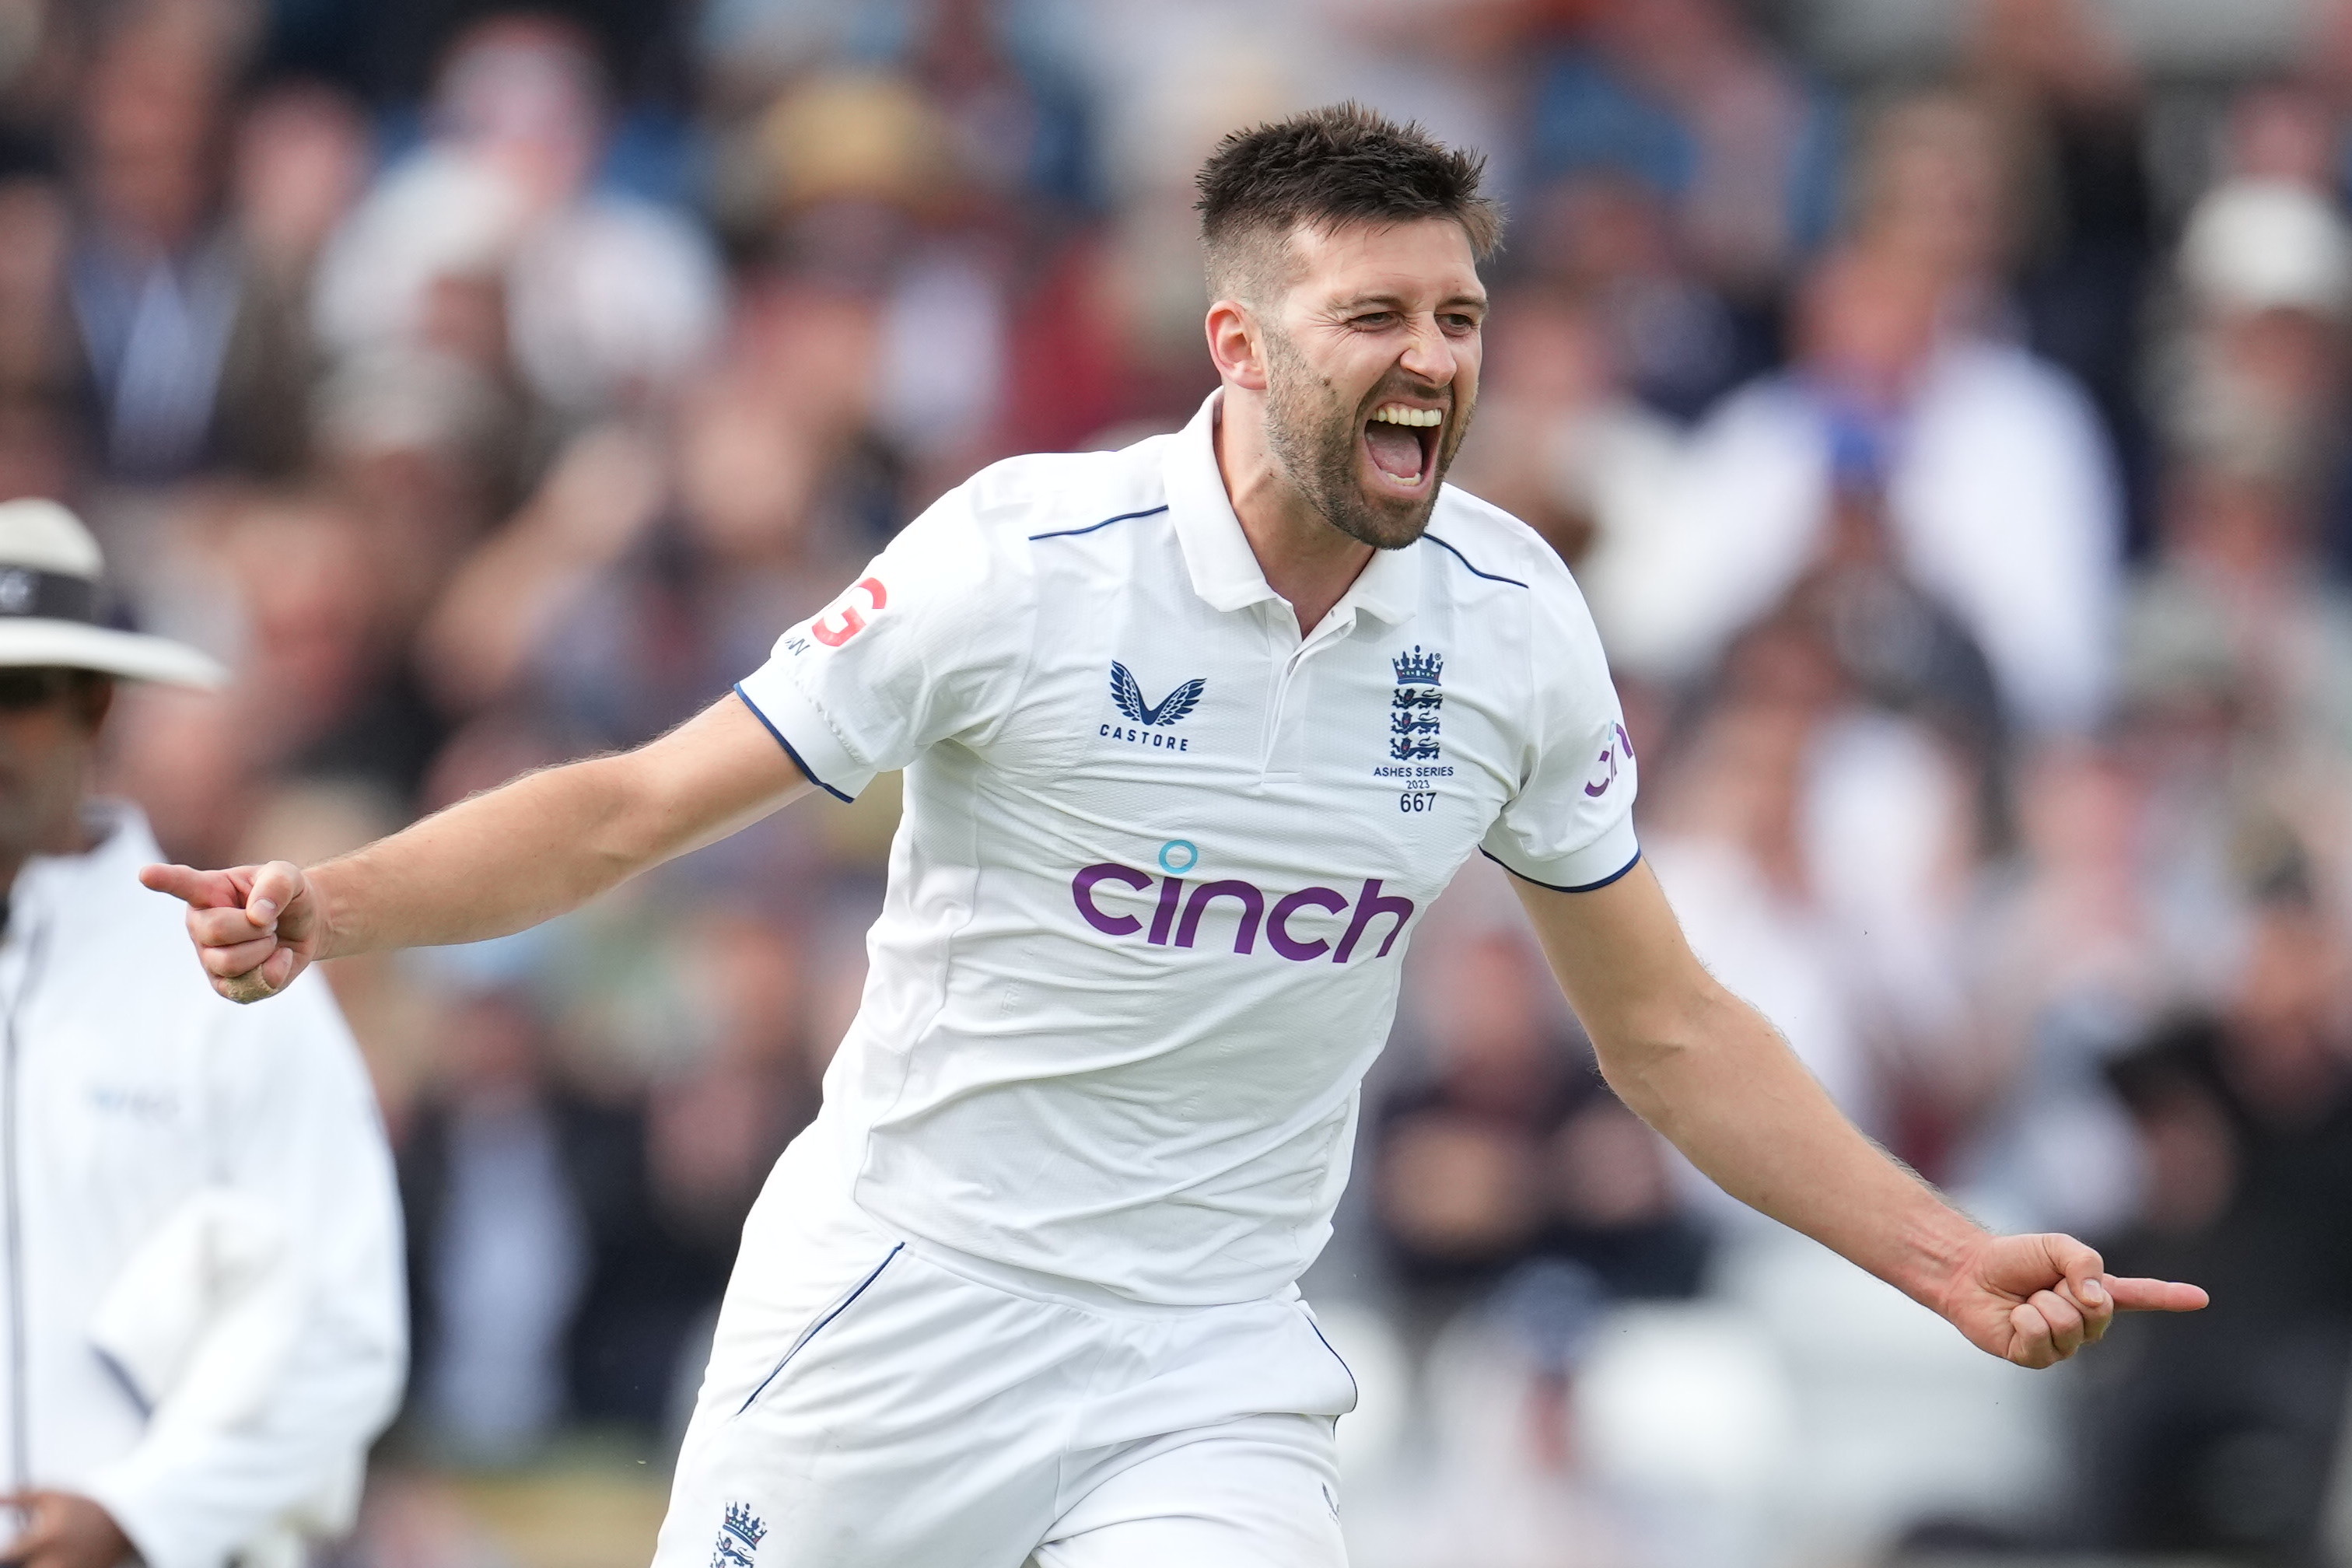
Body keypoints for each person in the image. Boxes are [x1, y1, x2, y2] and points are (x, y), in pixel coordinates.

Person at [145, 107, 2203, 1567]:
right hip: (901, 1311)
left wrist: (1943, 1253)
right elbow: (627, 810)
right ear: (1239, 345)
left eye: (1460, 319)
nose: (1432, 364)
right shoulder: (1021, 561)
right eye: (1374, 318)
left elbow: (1666, 1027)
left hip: (1202, 1365)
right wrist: (335, 905)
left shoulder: (1514, 622)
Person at [0, 498, 404, 1568]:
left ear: (92, 704)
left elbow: (344, 1326)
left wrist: (140, 1517)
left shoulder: (224, 970)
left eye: (18, 694)